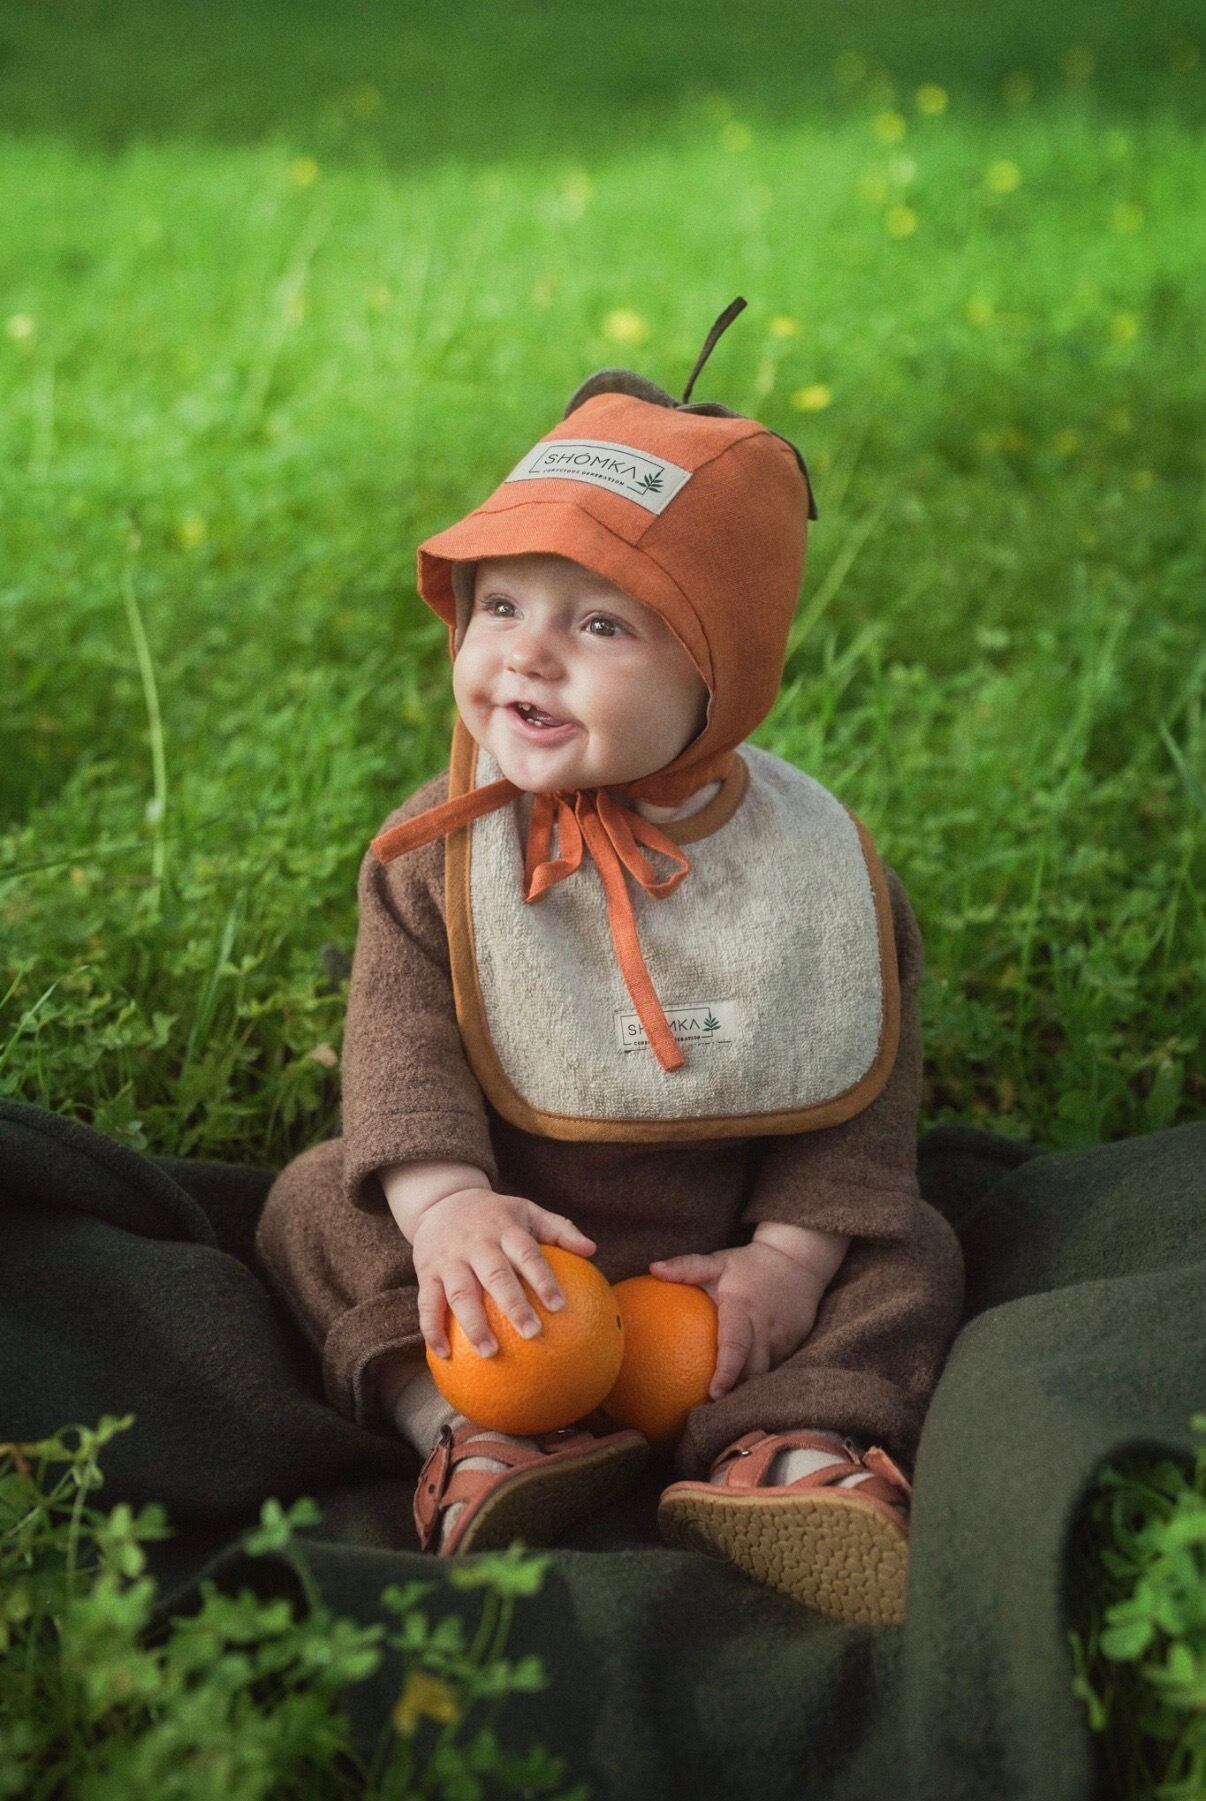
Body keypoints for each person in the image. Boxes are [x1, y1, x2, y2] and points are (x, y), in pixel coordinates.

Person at [254, 298, 965, 1625]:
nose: (524, 650)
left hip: (728, 1267)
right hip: (514, 1256)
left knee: (906, 1246)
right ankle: (470, 1426)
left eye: (600, 626)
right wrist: (448, 1210)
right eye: (500, 604)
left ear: (716, 675)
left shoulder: (817, 869)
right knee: (316, 1202)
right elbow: (401, 1057)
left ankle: (792, 1442)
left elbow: (858, 1103)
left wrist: (789, 1261)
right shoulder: (435, 856)